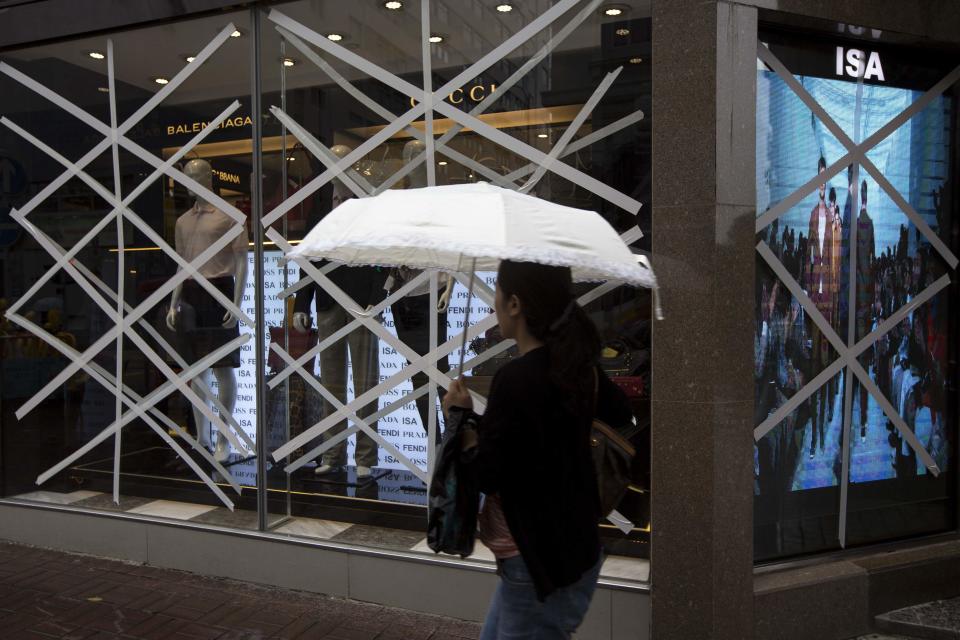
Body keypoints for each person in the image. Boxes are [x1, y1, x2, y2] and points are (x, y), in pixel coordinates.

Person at [442, 260, 631, 640]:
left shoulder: (516, 380)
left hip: (536, 565)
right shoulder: (579, 368)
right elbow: (619, 414)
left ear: (515, 304)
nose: (492, 301)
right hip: (573, 550)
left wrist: (460, 419)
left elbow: (487, 473)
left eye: (497, 290)